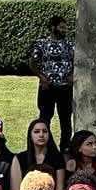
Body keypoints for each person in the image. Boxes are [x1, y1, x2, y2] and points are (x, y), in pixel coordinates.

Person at [30, 14, 75, 151]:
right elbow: (32, 62)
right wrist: (41, 77)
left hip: (65, 88)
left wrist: (72, 75)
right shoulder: (42, 44)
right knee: (45, 118)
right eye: (61, 27)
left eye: (65, 27)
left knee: (66, 120)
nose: (64, 30)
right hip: (47, 88)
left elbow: (77, 61)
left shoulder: (69, 45)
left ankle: (65, 148)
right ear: (53, 27)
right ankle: (44, 147)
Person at [17, 118, 66, 190]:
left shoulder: (57, 157)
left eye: (45, 131)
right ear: (30, 135)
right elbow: (17, 187)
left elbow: (60, 188)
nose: (41, 135)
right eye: (36, 132)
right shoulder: (21, 158)